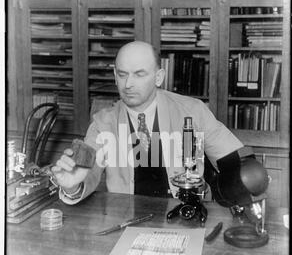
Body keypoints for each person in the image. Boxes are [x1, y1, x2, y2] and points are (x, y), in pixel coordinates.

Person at [52, 40, 243, 204]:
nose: (128, 84)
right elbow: (87, 174)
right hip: (126, 220)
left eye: (139, 74)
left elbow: (231, 160)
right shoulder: (103, 124)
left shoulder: (193, 111)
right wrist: (72, 187)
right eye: (122, 74)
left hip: (188, 216)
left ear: (158, 77)